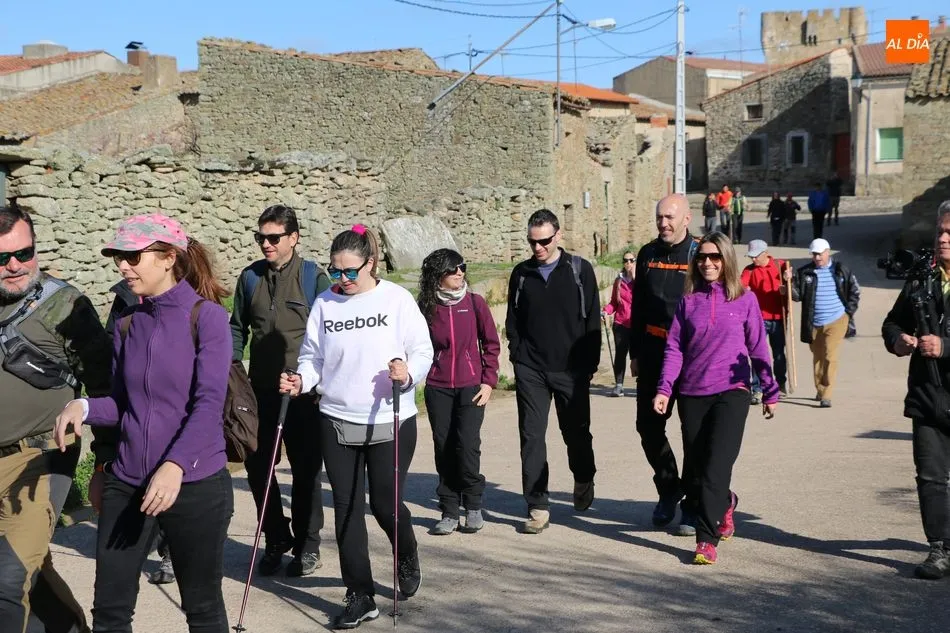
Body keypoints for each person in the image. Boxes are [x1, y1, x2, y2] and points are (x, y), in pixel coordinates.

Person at [54, 213, 234, 632]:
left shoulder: (207, 318)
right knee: (110, 612)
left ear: (168, 257)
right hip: (128, 481)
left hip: (195, 484)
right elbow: (122, 404)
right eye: (119, 256)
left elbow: (208, 407)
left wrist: (175, 466)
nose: (122, 265)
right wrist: (84, 408)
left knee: (203, 609)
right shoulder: (127, 322)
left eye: (133, 256)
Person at [280, 225, 432, 629]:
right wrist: (301, 381)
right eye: (336, 272)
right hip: (336, 417)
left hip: (389, 417)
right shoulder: (326, 304)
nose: (343, 280)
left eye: (351, 272)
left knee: (385, 503)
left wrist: (408, 370)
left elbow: (422, 348)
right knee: (347, 508)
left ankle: (405, 551)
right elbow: (311, 356)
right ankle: (360, 594)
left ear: (371, 263)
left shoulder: (396, 299)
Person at [0, 204, 111, 633]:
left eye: (24, 253)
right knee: (29, 572)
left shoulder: (65, 306)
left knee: (7, 579)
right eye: (2, 257)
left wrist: (104, 465)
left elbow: (104, 389)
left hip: (40, 459)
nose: (15, 265)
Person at [653, 231, 779, 565]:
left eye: (715, 257)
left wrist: (769, 389)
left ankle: (706, 540)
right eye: (702, 258)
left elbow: (758, 348)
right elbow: (675, 348)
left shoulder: (745, 299)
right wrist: (665, 388)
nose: (707, 263)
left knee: (716, 466)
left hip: (732, 392)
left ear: (726, 260)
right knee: (696, 469)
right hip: (692, 393)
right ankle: (725, 502)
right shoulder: (688, 301)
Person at [229, 204, 331, 577]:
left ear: (294, 238)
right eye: (261, 237)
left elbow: (326, 332)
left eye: (273, 238)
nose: (266, 244)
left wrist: (314, 379)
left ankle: (307, 544)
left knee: (305, 472)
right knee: (258, 467)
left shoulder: (312, 277)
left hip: (304, 392)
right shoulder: (250, 278)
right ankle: (275, 536)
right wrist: (232, 369)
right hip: (260, 392)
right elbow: (237, 327)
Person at [505, 208, 600, 534]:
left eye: (544, 241)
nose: (538, 248)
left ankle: (584, 475)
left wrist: (588, 366)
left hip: (571, 369)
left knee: (575, 433)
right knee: (531, 438)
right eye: (533, 242)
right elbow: (513, 320)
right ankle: (537, 506)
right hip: (531, 367)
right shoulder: (521, 274)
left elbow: (592, 320)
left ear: (558, 236)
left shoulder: (579, 270)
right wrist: (517, 356)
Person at [882, 200, 950, 579]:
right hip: (927, 395)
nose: (942, 239)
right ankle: (939, 548)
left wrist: (945, 346)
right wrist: (899, 341)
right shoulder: (921, 278)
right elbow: (891, 322)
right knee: (930, 477)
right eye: (940, 231)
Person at [629, 193, 700, 534]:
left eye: (670, 217)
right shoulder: (647, 254)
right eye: (659, 217)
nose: (663, 223)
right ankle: (670, 488)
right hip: (654, 353)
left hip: (692, 358)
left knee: (693, 434)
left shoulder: (701, 255)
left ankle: (694, 505)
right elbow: (638, 307)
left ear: (687, 218)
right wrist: (635, 353)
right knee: (648, 426)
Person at [417, 248, 500, 535]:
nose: (460, 273)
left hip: (471, 387)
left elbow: (491, 344)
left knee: (466, 446)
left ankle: (473, 504)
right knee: (444, 447)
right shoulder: (426, 307)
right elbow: (416, 346)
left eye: (462, 267)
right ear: (438, 275)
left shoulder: (475, 303)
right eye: (453, 269)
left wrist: (489, 381)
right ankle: (449, 509)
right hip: (438, 387)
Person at [104, 278, 176, 585]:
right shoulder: (124, 298)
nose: (127, 265)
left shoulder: (187, 299)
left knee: (171, 482)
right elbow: (112, 342)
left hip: (171, 411)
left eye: (135, 256)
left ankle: (171, 551)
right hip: (135, 409)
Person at [790, 238, 860, 408]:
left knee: (830, 355)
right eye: (814, 254)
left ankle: (827, 394)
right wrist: (789, 282)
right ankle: (820, 389)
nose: (817, 257)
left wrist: (847, 313)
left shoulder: (841, 270)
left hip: (837, 319)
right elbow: (796, 296)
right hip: (813, 322)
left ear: (828, 252)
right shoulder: (804, 272)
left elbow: (855, 291)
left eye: (820, 254)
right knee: (818, 358)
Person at [741, 240, 790, 401]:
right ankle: (757, 388)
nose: (753, 260)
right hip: (758, 319)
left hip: (778, 317)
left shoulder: (780, 265)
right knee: (757, 354)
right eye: (751, 256)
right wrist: (743, 290)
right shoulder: (749, 270)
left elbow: (792, 285)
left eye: (755, 256)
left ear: (765, 253)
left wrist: (789, 279)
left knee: (778, 354)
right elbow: (741, 285)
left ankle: (780, 383)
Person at [603, 250, 636, 397]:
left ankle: (641, 384)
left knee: (638, 355)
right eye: (625, 260)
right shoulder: (619, 280)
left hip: (637, 324)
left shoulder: (641, 280)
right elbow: (614, 303)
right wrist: (606, 311)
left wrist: (636, 279)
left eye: (631, 260)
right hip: (621, 323)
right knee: (620, 355)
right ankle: (619, 384)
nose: (628, 263)